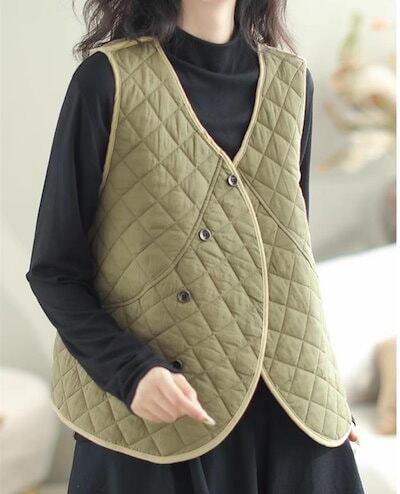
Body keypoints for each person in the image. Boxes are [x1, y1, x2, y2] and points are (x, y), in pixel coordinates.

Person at [25, 0, 365, 492]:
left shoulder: (293, 83)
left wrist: (322, 388)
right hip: (160, 411)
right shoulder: (106, 81)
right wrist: (131, 373)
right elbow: (54, 272)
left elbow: (288, 261)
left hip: (292, 417)